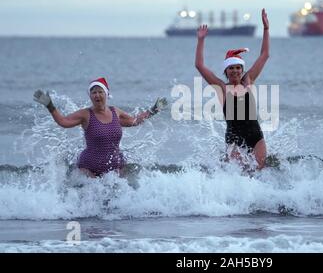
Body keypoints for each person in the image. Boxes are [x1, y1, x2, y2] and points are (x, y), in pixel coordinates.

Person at [33, 77, 167, 177]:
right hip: (89, 168)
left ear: (106, 94)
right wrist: (49, 105)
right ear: (90, 96)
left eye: (100, 91)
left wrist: (154, 110)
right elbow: (63, 122)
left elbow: (134, 121)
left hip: (115, 167)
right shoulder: (85, 114)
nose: (97, 95)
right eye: (93, 92)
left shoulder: (116, 112)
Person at [195, 9, 270, 170]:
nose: (235, 71)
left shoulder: (248, 80)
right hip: (234, 138)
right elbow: (199, 66)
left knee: (260, 169)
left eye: (237, 67)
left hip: (255, 135)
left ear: (242, 69)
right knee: (239, 172)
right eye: (231, 68)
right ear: (226, 71)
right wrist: (201, 40)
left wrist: (266, 29)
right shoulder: (221, 87)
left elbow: (264, 55)